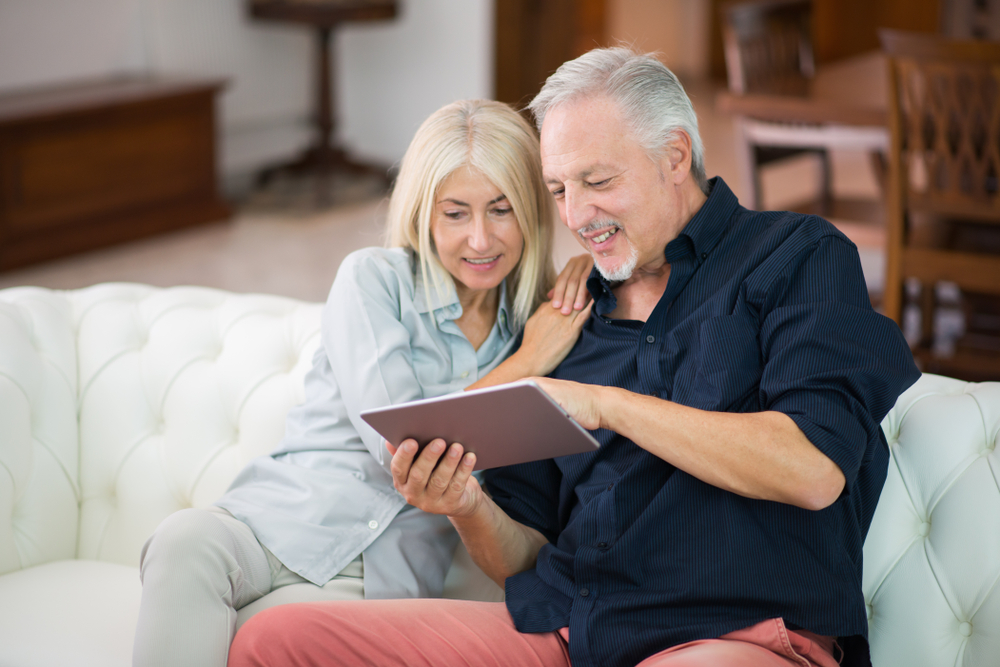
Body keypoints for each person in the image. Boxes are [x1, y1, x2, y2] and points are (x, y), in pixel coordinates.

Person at [226, 48, 920, 667]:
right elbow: (524, 555)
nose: (576, 215)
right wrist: (467, 504)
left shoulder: (796, 256)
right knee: (274, 641)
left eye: (597, 180)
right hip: (566, 631)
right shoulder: (567, 320)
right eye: (559, 190)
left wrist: (605, 405)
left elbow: (812, 469)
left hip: (733, 638)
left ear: (675, 156)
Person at [131, 98, 595, 667]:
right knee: (183, 541)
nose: (480, 239)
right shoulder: (373, 280)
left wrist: (586, 271)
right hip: (278, 523)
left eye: (502, 210)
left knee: (278, 636)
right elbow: (402, 445)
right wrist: (528, 362)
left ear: (533, 210)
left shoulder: (543, 321)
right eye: (455, 214)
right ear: (424, 214)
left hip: (380, 579)